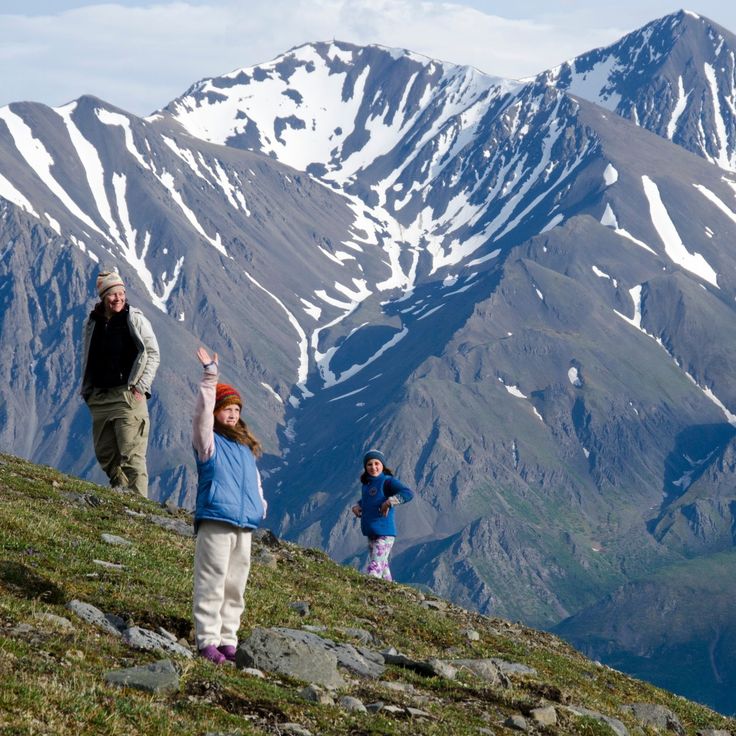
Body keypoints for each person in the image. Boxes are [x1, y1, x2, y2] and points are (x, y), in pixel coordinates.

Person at [192, 346, 267, 664]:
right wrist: (211, 378)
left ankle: (228, 639)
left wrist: (261, 505)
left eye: (236, 409)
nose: (232, 414)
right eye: (226, 409)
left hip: (244, 524)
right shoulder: (208, 442)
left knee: (236, 583)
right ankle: (207, 640)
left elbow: (256, 482)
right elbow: (200, 415)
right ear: (216, 413)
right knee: (212, 578)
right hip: (216, 519)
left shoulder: (244, 446)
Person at [80, 269, 160, 497]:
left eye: (121, 293)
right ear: (103, 297)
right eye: (112, 294)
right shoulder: (92, 321)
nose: (118, 298)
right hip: (100, 397)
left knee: (132, 455)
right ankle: (122, 495)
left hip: (127, 396)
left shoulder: (134, 319)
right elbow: (87, 354)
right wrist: (87, 390)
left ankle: (141, 510)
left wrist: (141, 386)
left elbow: (153, 353)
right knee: (106, 454)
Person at [351, 449, 413, 580]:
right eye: (369, 464)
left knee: (375, 566)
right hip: (371, 531)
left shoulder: (387, 481)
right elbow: (369, 500)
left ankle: (368, 592)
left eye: (376, 463)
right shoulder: (367, 485)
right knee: (383, 565)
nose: (373, 467)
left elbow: (408, 493)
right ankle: (390, 594)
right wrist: (358, 506)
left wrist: (390, 501)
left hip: (385, 533)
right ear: (365, 467)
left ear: (382, 465)